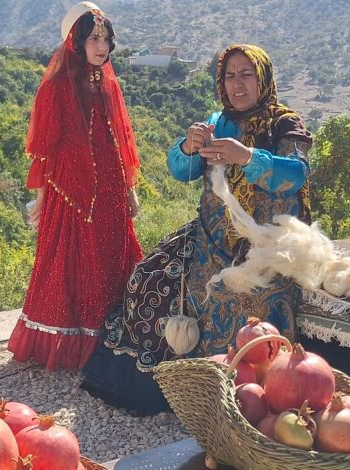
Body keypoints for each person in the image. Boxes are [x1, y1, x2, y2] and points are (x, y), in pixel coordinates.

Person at [80, 44, 313, 415]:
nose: (237, 84)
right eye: (229, 76)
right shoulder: (216, 121)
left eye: (246, 74)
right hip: (208, 236)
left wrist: (248, 157)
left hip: (267, 247)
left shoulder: (284, 123)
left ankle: (232, 400)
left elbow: (296, 175)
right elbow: (182, 171)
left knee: (238, 301)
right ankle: (168, 387)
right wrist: (187, 147)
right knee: (147, 280)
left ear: (263, 78)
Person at [7, 2, 143, 370]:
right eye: (93, 38)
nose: (102, 46)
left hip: (111, 188)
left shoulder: (108, 83)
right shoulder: (55, 87)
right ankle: (67, 344)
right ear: (76, 42)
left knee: (110, 255)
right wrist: (40, 199)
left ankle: (109, 336)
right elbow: (43, 149)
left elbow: (120, 140)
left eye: (106, 38)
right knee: (73, 261)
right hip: (69, 188)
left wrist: (129, 188)